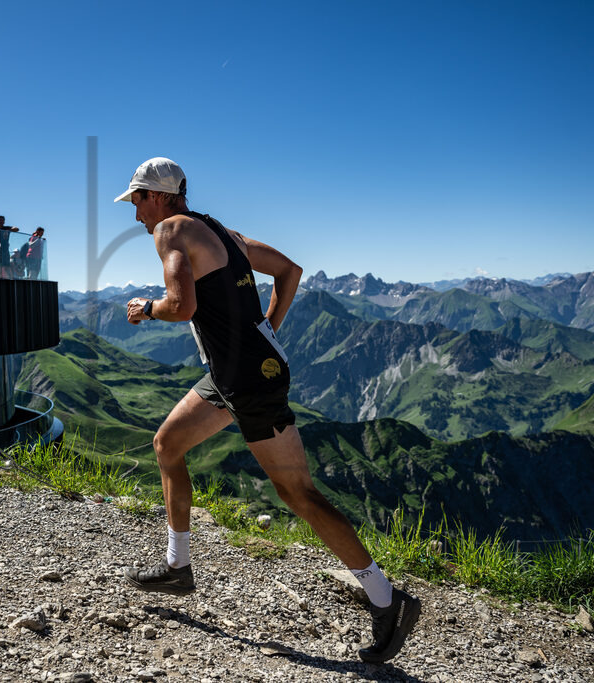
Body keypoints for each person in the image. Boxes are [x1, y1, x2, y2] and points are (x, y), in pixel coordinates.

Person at [116, 158, 420, 665]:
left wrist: (146, 308)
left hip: (248, 381)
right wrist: (267, 331)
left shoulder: (171, 230)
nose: (136, 213)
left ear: (160, 196)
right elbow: (289, 270)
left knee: (298, 493)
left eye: (138, 200)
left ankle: (387, 599)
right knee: (167, 444)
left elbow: (182, 305)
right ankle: (178, 567)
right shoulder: (223, 232)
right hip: (233, 375)